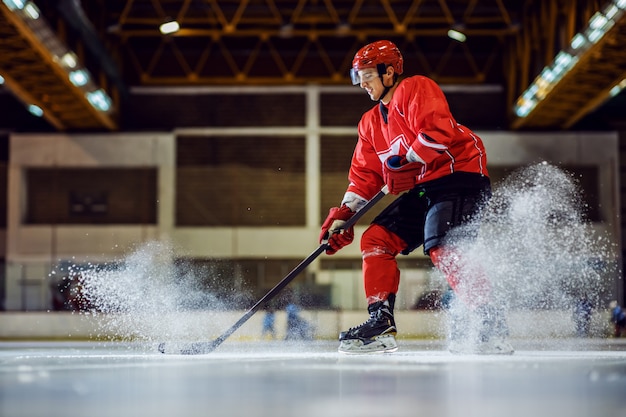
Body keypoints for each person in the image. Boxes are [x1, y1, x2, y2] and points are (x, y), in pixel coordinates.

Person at [319, 40, 513, 355]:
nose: (363, 84)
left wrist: (407, 159)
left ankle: (489, 321)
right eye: (359, 77)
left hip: (459, 177)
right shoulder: (369, 123)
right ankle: (380, 324)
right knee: (375, 240)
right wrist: (344, 215)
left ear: (390, 72)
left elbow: (437, 134)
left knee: (441, 245)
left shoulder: (416, 88)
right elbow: (366, 176)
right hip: (426, 187)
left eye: (367, 75)